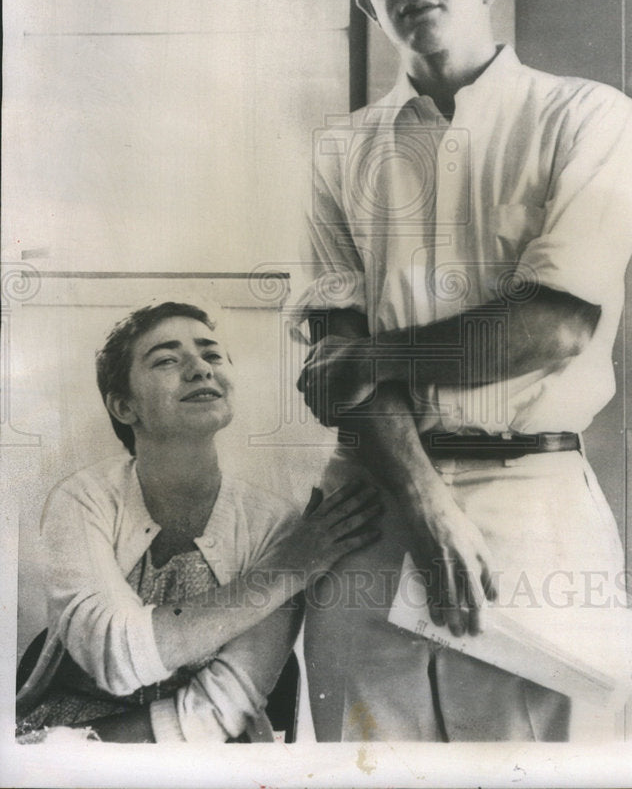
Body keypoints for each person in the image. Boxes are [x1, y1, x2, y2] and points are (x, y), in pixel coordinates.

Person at [295, 0, 632, 741]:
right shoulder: (342, 151)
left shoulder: (585, 117)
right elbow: (332, 360)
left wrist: (375, 356)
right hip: (371, 507)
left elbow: (551, 327)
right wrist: (423, 503)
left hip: (536, 508)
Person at [16, 300, 381, 743]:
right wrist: (285, 572)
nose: (200, 369)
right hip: (58, 740)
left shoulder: (277, 527)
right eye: (167, 360)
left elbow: (223, 704)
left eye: (211, 354)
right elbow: (114, 657)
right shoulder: (81, 499)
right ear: (124, 406)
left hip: (197, 751)